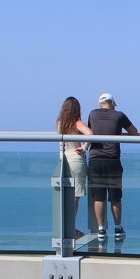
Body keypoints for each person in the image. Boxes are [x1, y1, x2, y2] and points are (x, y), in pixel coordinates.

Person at [87, 93, 140, 241]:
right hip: (113, 160)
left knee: (98, 197)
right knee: (115, 197)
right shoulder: (119, 115)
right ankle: (118, 228)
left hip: (95, 160)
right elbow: (134, 132)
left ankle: (101, 230)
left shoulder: (92, 114)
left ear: (99, 104)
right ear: (113, 103)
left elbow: (90, 132)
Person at [56, 96, 94, 240]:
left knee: (66, 195)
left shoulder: (60, 123)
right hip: (76, 159)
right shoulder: (76, 123)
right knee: (75, 197)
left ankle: (66, 226)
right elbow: (90, 134)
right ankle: (70, 228)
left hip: (64, 158)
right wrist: (84, 147)